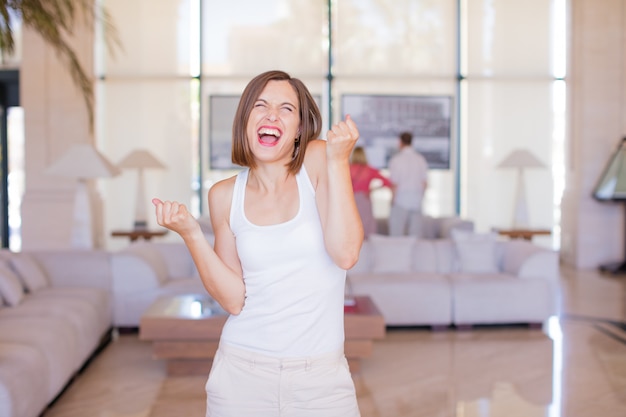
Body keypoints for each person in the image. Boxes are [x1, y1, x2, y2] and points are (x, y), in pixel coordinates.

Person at [152, 70, 363, 417]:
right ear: (246, 120)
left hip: (322, 382)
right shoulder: (223, 195)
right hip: (241, 376)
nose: (271, 115)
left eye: (286, 109)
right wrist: (191, 234)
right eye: (260, 106)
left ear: (299, 129)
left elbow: (346, 253)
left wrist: (339, 160)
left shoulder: (319, 161)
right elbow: (233, 300)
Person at [388, 131, 429, 237]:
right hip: (416, 201)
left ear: (400, 142)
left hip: (400, 200)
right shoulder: (420, 159)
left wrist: (392, 200)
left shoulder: (396, 160)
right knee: (415, 236)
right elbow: (424, 183)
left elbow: (395, 184)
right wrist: (421, 197)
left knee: (396, 234)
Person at [349, 146, 393, 237]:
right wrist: (372, 190)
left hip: (350, 199)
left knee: (351, 223)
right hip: (365, 199)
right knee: (366, 224)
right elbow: (387, 182)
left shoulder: (347, 169)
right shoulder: (369, 170)